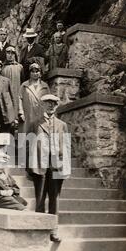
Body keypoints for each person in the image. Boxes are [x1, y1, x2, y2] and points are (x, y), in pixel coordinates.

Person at [26, 94, 71, 243]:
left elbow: (66, 147)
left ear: (56, 106)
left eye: (53, 103)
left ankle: (53, 230)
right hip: (40, 164)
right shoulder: (34, 123)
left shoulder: (62, 125)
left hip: (56, 165)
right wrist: (28, 168)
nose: (50, 106)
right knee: (40, 198)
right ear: (42, 105)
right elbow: (27, 146)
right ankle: (39, 228)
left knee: (55, 199)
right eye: (47, 103)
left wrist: (65, 168)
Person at [18, 62, 50, 134]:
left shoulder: (45, 86)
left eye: (37, 71)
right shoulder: (24, 85)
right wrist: (21, 112)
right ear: (30, 73)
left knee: (39, 136)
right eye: (32, 72)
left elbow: (49, 101)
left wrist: (48, 113)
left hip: (40, 115)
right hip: (27, 114)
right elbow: (19, 98)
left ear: (40, 73)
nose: (35, 74)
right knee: (25, 137)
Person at [1, 46, 25, 117]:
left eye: (12, 53)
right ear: (5, 54)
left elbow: (23, 81)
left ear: (15, 55)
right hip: (6, 94)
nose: (10, 55)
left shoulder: (20, 67)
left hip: (17, 92)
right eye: (8, 53)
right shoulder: (2, 67)